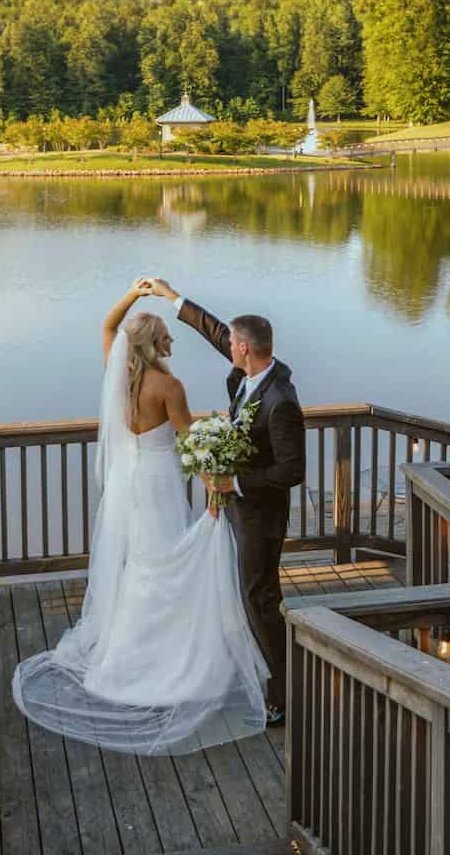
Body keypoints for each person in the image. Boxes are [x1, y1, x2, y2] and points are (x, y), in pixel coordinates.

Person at [10, 281, 270, 754]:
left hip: (124, 483)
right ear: (155, 346)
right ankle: (155, 661)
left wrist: (133, 295)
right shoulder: (169, 387)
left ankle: (125, 653)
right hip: (157, 483)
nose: (172, 344)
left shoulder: (118, 370)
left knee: (137, 564)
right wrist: (216, 487)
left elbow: (107, 325)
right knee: (160, 561)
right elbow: (193, 444)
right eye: (167, 339)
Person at [144, 275, 305, 727]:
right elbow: (217, 330)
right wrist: (173, 298)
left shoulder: (280, 400)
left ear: (245, 350)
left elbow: (292, 471)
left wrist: (234, 483)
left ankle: (284, 695)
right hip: (237, 510)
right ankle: (259, 672)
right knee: (241, 593)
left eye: (232, 343)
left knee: (259, 598)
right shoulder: (250, 376)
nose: (227, 345)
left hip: (260, 517)